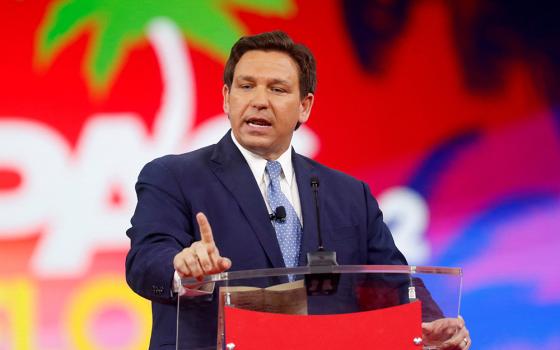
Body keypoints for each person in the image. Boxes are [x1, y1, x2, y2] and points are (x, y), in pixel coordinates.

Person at [125, 31, 471, 349]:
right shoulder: (173, 176)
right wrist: (181, 267)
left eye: (277, 89)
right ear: (227, 98)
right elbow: (144, 262)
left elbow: (395, 283)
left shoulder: (349, 195)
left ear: (304, 106)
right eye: (246, 86)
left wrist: (431, 321)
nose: (259, 101)